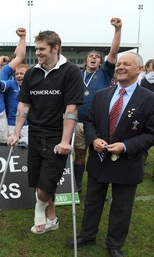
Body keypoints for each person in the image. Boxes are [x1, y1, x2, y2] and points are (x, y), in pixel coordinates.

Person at [66, 52, 154, 257]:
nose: (120, 66)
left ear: (140, 69)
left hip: (128, 161)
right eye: (119, 64)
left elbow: (151, 133)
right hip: (99, 158)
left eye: (127, 64)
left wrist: (125, 147)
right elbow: (89, 122)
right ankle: (87, 235)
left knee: (121, 207)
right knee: (93, 200)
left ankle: (114, 244)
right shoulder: (102, 94)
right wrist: (93, 139)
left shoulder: (149, 99)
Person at [8, 30, 84, 235]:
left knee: (46, 184)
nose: (38, 53)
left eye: (42, 49)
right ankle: (52, 219)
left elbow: (71, 110)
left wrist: (66, 141)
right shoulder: (32, 73)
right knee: (38, 181)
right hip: (34, 134)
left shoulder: (71, 72)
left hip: (57, 137)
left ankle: (39, 211)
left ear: (55, 48)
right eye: (37, 49)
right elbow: (23, 106)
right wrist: (16, 133)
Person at [74, 17, 122, 192]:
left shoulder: (104, 73)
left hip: (98, 122)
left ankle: (100, 184)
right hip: (78, 122)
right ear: (86, 61)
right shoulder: (77, 74)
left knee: (99, 154)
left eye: (97, 57)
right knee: (79, 153)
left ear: (100, 62)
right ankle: (76, 184)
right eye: (90, 56)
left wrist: (118, 30)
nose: (93, 58)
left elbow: (114, 52)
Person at [0, 57, 29, 147]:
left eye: (22, 73)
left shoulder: (32, 86)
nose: (19, 76)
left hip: (28, 124)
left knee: (28, 150)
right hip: (12, 123)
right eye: (17, 73)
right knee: (12, 148)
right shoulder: (11, 84)